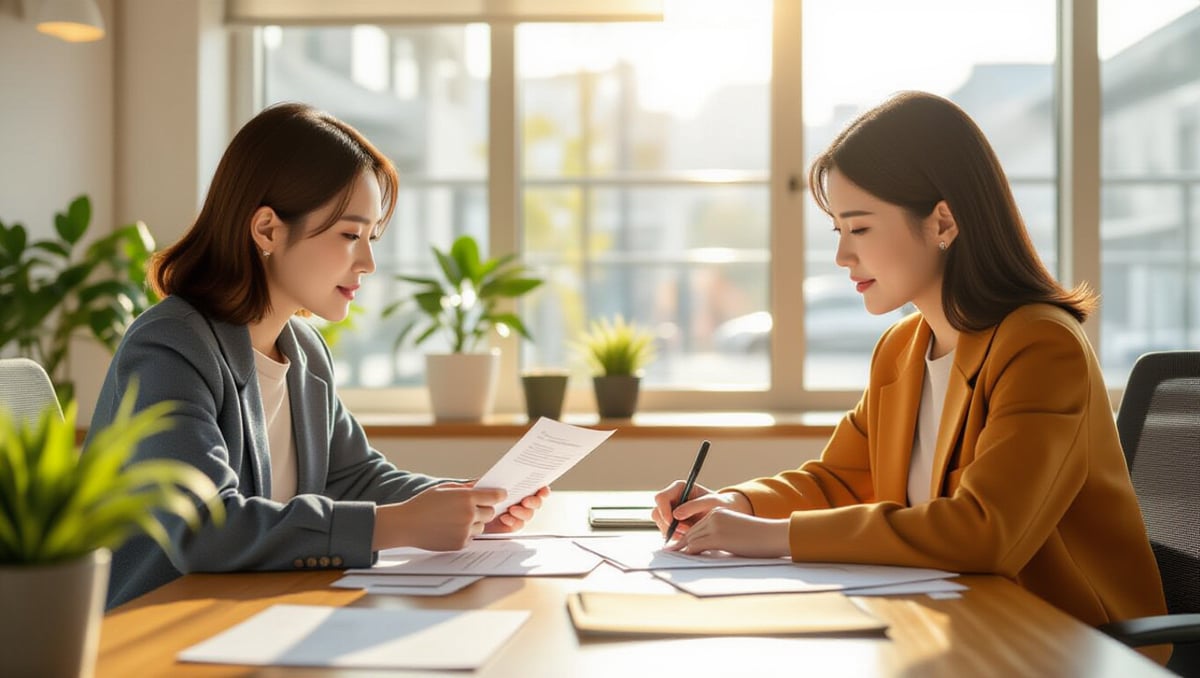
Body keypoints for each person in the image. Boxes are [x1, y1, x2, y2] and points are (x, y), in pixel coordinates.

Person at [652, 91, 1168, 650]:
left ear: (943, 220)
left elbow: (985, 532)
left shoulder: (1041, 345)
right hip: (953, 625)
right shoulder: (901, 348)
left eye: (860, 229)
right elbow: (838, 481)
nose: (842, 257)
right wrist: (737, 504)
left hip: (1064, 643)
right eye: (838, 232)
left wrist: (773, 536)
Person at [89, 102, 547, 609]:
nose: (368, 262)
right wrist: (399, 524)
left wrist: (465, 502)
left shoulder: (304, 350)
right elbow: (202, 529)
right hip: (153, 625)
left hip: (256, 612)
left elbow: (353, 478)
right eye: (350, 235)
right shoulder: (170, 346)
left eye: (371, 237)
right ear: (267, 229)